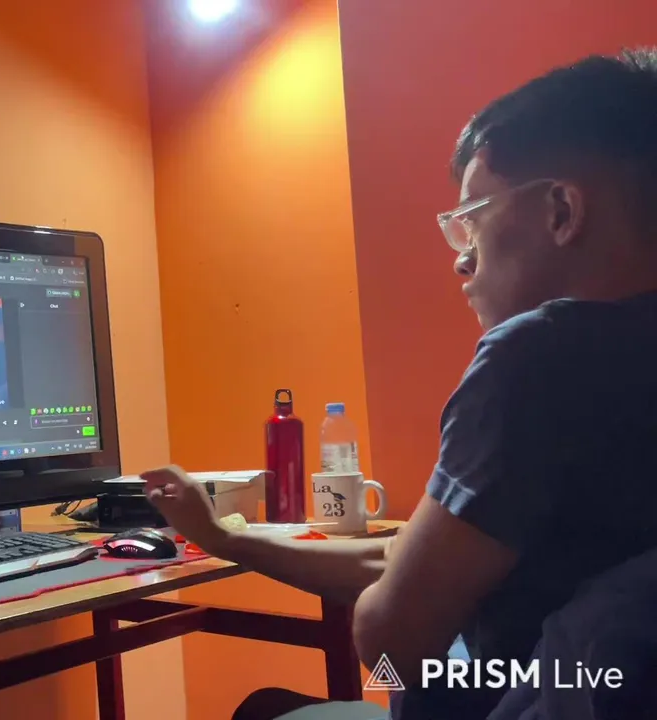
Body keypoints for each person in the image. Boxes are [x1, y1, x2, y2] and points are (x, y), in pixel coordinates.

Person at [143, 47, 657, 720]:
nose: (463, 261)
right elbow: (412, 561)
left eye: (473, 218)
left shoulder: (536, 357)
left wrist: (408, 629)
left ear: (561, 210)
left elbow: (394, 643)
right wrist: (226, 540)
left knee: (265, 709)